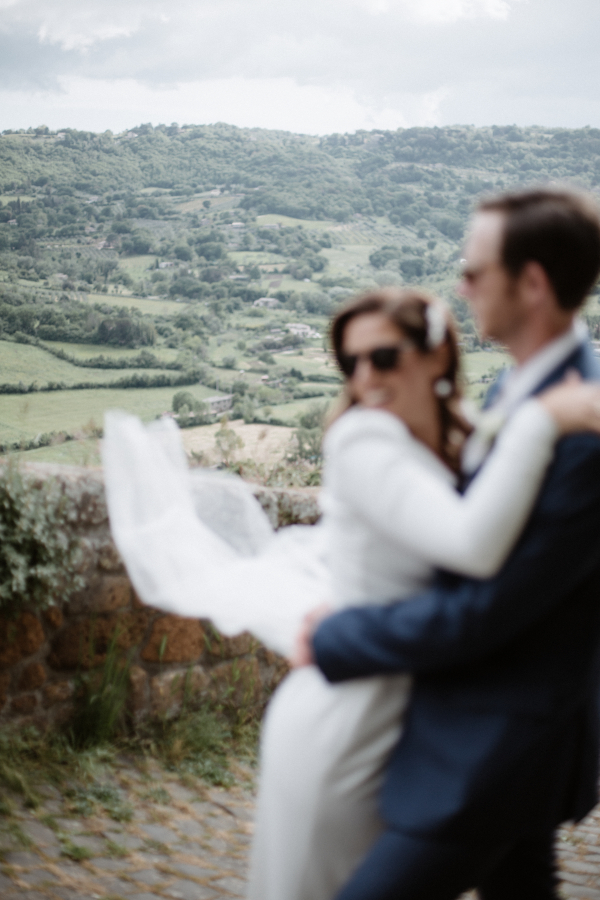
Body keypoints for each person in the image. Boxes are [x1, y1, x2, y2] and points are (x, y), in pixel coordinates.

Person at [102, 287, 600, 899]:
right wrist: (542, 420)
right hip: (349, 712)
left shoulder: (465, 434)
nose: (365, 377)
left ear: (437, 355)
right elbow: (473, 548)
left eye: (383, 357)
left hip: (417, 714)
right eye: (350, 362)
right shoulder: (364, 442)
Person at [299, 188, 600, 900]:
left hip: (497, 743)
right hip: (493, 728)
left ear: (530, 283)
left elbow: (485, 611)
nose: (458, 286)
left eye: (474, 271)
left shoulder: (580, 427)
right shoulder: (522, 389)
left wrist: (341, 634)